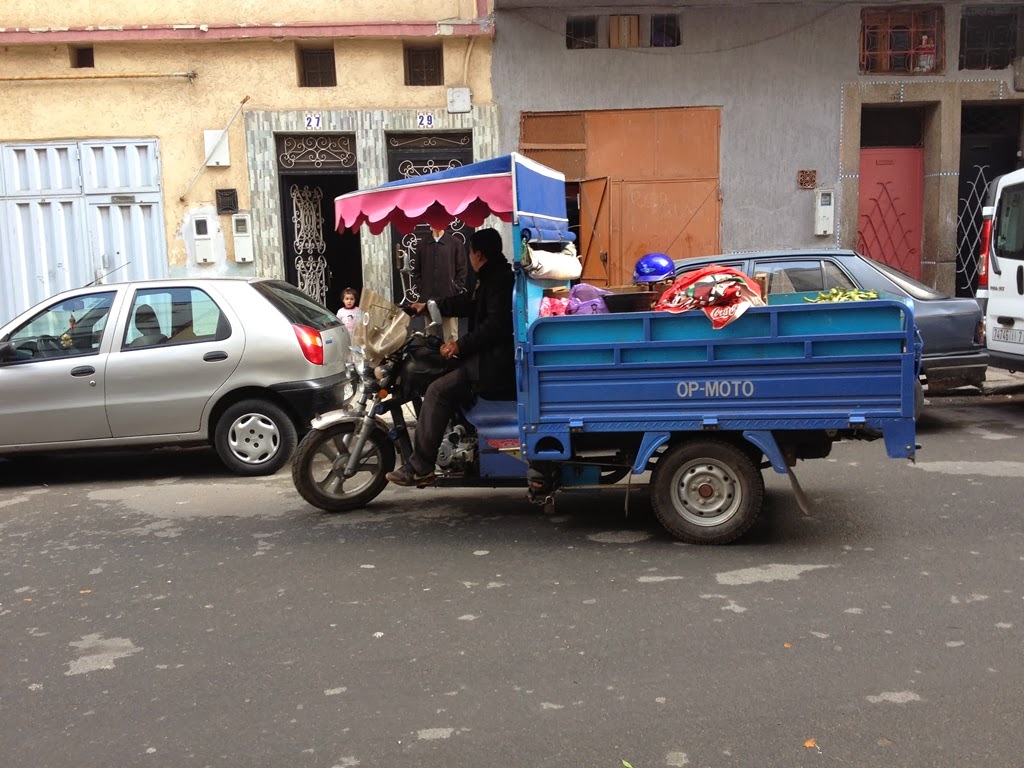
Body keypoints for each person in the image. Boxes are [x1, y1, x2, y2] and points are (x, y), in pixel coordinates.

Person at [385, 227, 515, 487]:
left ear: (478, 254)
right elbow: (469, 303)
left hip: (493, 364)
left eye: (470, 252)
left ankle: (421, 466)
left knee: (436, 391)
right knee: (441, 370)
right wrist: (430, 306)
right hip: (487, 357)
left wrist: (459, 346)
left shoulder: (498, 280)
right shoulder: (493, 277)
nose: (469, 257)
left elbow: (495, 326)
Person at [412, 227, 468, 340]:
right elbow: (416, 270)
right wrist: (421, 288)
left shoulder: (455, 243)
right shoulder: (423, 244)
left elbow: (462, 269)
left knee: (451, 336)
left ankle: (451, 358)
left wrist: (455, 287)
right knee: (429, 336)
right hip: (428, 297)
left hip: (449, 297)